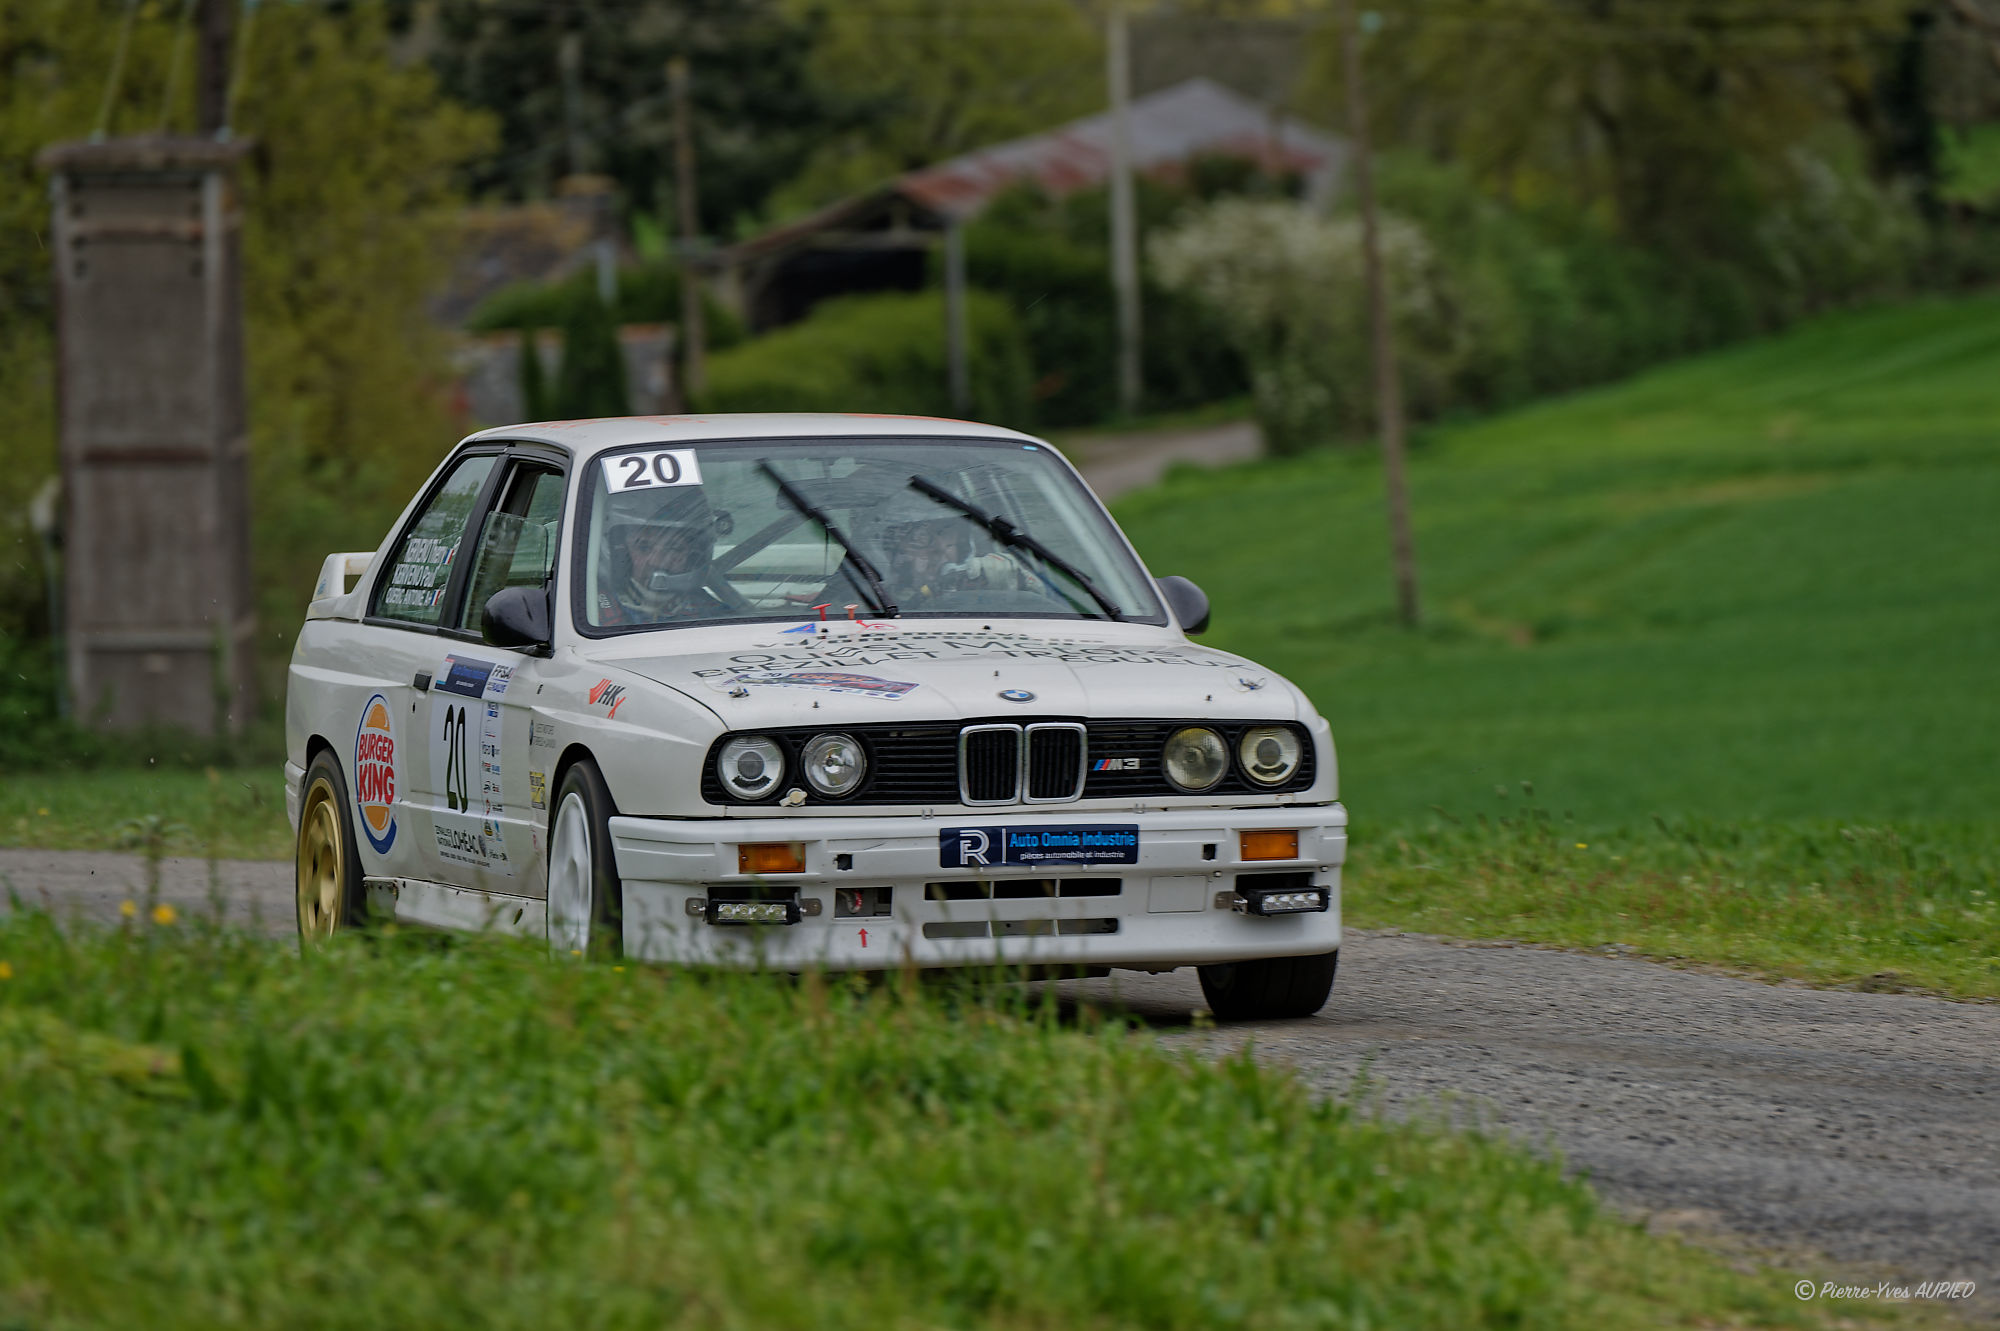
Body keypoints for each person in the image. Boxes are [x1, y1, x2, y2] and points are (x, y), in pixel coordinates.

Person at [596, 488, 729, 626]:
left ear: (693, 555)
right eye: (644, 547)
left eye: (675, 548)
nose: (657, 562)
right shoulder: (590, 611)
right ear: (621, 551)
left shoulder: (711, 614)